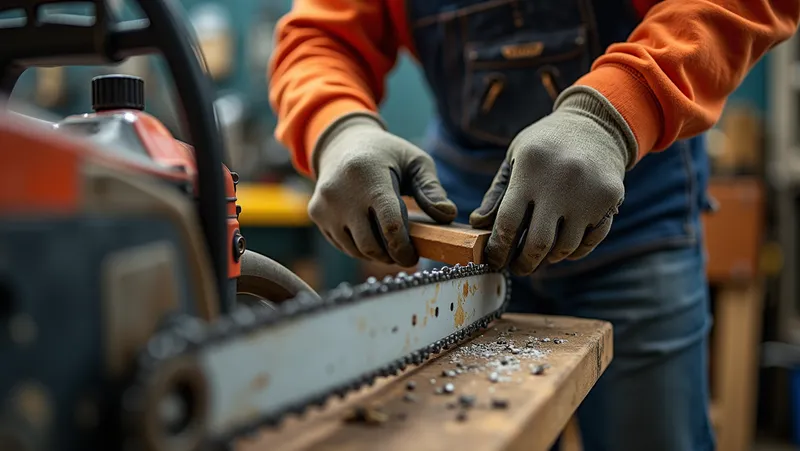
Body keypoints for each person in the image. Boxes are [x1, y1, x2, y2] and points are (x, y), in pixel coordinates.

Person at [268, 0, 799, 449]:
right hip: (464, 237)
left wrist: (612, 113)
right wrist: (338, 126)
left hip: (634, 224)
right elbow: (319, 37)